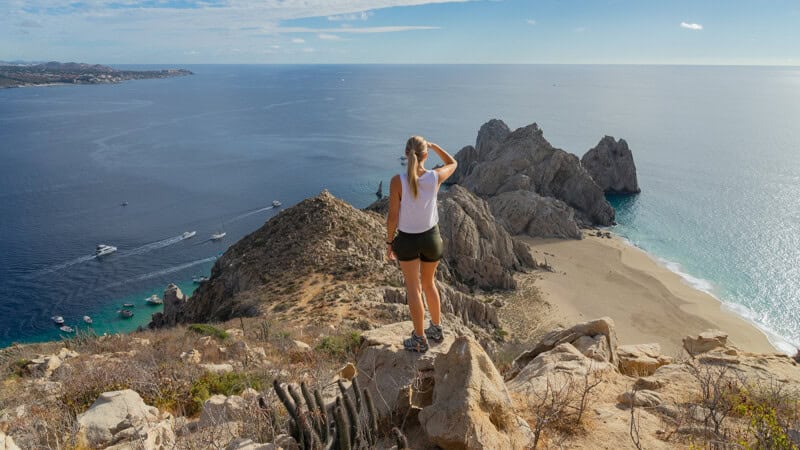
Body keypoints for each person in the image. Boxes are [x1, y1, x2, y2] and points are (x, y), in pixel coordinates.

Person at [386, 136, 457, 352]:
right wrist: (435, 147)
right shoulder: (434, 177)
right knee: (429, 284)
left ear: (406, 154)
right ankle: (436, 328)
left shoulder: (397, 181)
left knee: (414, 289)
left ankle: (419, 338)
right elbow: (453, 163)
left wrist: (389, 242)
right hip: (431, 239)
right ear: (425, 155)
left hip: (407, 240)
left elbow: (392, 216)